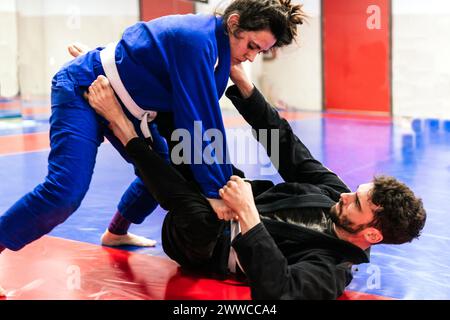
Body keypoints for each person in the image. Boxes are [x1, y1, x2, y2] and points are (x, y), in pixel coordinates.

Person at [83, 71, 426, 300]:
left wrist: (247, 214)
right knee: (196, 146)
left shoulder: (332, 271)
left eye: (358, 204)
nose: (347, 195)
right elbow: (289, 151)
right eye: (357, 192)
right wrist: (243, 84)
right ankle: (120, 82)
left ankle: (122, 127)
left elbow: (277, 291)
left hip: (199, 244)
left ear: (372, 235)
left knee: (193, 208)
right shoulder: (334, 196)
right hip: (231, 197)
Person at [0, 0, 306, 253]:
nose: (250, 57)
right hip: (84, 89)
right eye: (251, 46)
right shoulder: (198, 40)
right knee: (65, 192)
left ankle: (116, 232)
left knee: (161, 171)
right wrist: (216, 189)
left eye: (259, 52)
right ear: (234, 22)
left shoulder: (212, 48)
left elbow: (147, 53)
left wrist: (220, 180)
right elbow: (198, 120)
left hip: (128, 105)